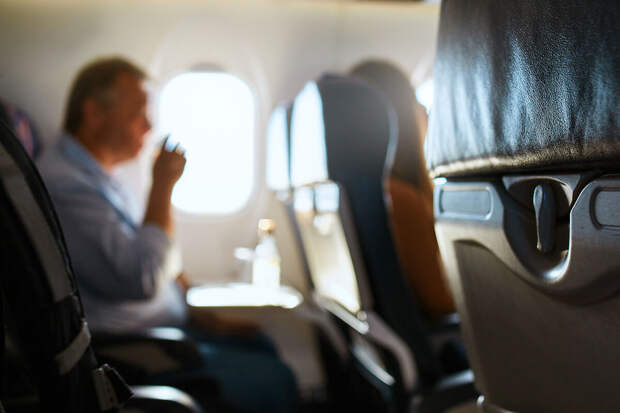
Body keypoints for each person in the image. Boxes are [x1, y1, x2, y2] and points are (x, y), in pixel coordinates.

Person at [37, 57, 298, 413]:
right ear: (95, 113)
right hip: (130, 350)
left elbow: (157, 253)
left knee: (262, 344)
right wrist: (163, 186)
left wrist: (197, 312)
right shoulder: (67, 187)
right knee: (275, 378)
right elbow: (142, 277)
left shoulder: (102, 180)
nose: (148, 126)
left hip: (169, 332)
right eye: (138, 113)